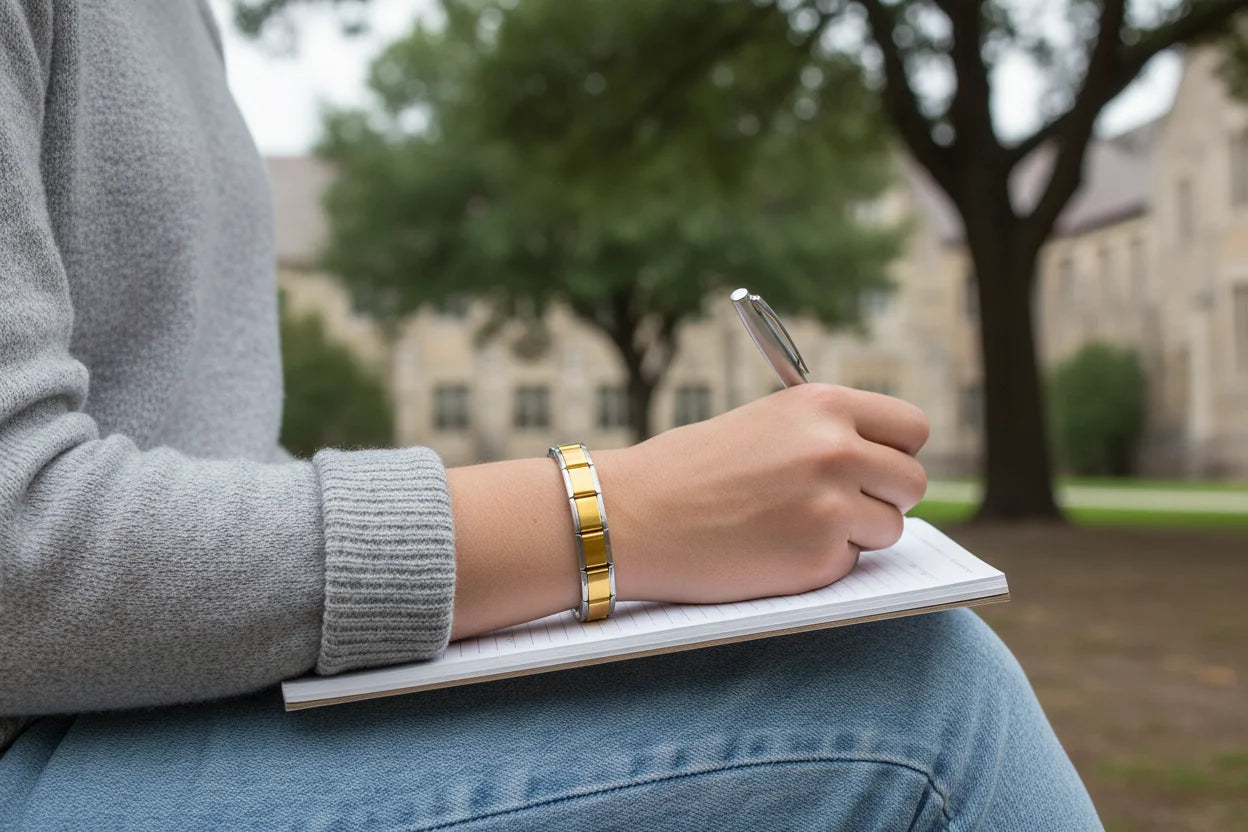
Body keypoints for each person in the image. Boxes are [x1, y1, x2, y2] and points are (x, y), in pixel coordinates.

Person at [0, 2, 1103, 829]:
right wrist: (618, 511)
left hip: (168, 700)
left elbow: (207, 446)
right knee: (921, 715)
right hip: (52, 747)